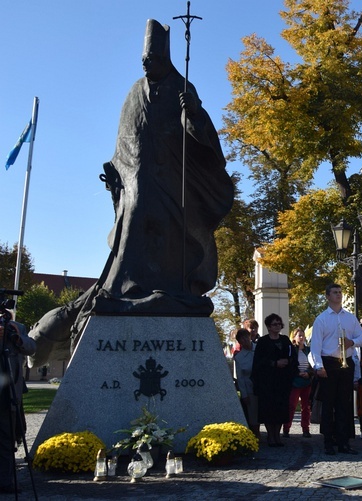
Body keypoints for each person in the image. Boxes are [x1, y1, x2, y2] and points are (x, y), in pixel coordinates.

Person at [28, 19, 234, 367]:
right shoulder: (135, 91)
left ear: (165, 56)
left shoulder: (182, 87)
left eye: (152, 56)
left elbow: (205, 141)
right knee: (134, 220)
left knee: (172, 237)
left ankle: (169, 289)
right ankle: (124, 287)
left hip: (174, 181)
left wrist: (194, 115)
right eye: (144, 56)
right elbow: (125, 139)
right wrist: (118, 173)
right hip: (138, 177)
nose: (145, 62)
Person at [310, 284, 362, 456]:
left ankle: (344, 442)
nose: (339, 295)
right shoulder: (321, 319)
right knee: (328, 405)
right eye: (335, 292)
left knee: (344, 404)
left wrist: (352, 342)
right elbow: (316, 346)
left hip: (346, 362)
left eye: (340, 292)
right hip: (329, 364)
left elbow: (361, 336)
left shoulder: (350, 317)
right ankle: (328, 442)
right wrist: (319, 367)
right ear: (327, 296)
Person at [0, 316, 35, 495]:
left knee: (7, 440)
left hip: (8, 395)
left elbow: (31, 347)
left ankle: (5, 481)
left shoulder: (16, 327)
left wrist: (17, 337)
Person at [251, 314, 297, 447]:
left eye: (279, 323)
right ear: (269, 327)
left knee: (281, 409)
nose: (277, 326)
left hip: (282, 381)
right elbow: (259, 361)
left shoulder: (285, 340)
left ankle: (277, 435)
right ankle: (271, 435)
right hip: (267, 382)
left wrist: (287, 361)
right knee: (268, 409)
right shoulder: (263, 341)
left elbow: (292, 355)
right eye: (274, 324)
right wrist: (274, 363)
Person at [284, 327, 314, 438]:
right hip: (295, 382)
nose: (301, 337)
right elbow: (290, 366)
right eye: (299, 335)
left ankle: (305, 428)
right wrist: (297, 373)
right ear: (294, 337)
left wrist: (309, 373)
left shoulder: (308, 350)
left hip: (306, 381)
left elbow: (313, 364)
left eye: (302, 335)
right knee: (291, 405)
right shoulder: (291, 350)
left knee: (306, 407)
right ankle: (286, 428)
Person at [233, 328, 260, 437]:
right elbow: (240, 378)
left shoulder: (259, 349)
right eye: (242, 339)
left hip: (264, 387)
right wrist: (244, 395)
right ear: (239, 343)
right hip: (250, 389)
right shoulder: (239, 358)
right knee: (253, 415)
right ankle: (256, 435)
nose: (245, 340)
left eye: (246, 337)